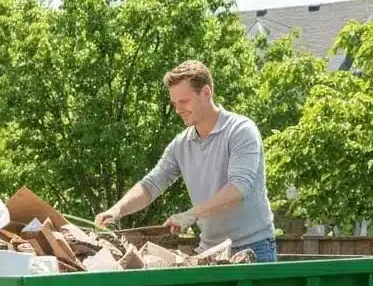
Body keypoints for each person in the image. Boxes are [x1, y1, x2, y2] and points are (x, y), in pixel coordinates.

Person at [95, 60, 278, 262]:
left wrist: (190, 215)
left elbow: (238, 188)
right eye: (174, 103)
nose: (178, 109)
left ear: (206, 93)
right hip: (211, 251)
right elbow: (151, 185)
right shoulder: (181, 144)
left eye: (184, 101)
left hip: (253, 249)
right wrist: (116, 210)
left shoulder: (240, 130)